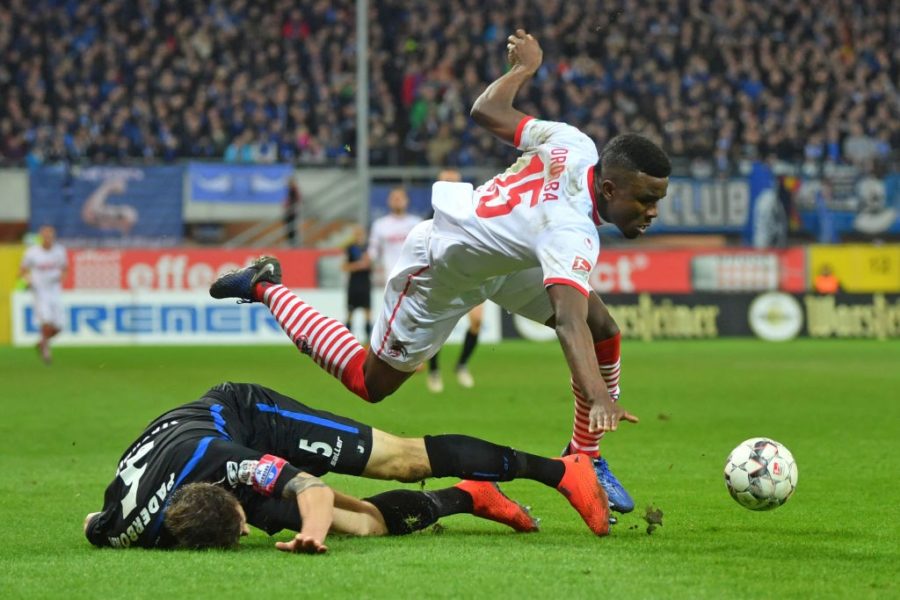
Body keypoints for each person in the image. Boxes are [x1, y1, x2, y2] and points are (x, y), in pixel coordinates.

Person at [210, 30, 670, 516]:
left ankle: (585, 456)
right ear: (612, 187)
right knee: (372, 383)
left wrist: (522, 71)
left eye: (657, 199)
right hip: (442, 265)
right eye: (645, 199)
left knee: (606, 329)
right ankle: (267, 286)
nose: (652, 211)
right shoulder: (572, 230)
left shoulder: (575, 144)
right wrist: (600, 395)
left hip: (507, 260)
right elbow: (568, 321)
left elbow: (486, 112)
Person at [83, 382, 609, 553]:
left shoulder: (230, 463)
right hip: (191, 466)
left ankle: (561, 470)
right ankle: (472, 496)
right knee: (364, 523)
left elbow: (309, 487)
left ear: (235, 494)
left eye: (243, 525)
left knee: (400, 461)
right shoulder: (121, 531)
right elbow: (92, 523)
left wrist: (312, 533)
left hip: (246, 418)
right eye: (249, 529)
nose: (251, 529)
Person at [425, 169, 484, 393]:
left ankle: (461, 365)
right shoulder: (431, 215)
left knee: (476, 321)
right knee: (437, 324)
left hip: (471, 274)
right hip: (443, 276)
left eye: (454, 182)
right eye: (446, 181)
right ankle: (434, 371)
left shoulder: (472, 210)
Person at [19, 225, 68, 364]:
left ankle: (42, 342)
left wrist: (62, 278)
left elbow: (65, 268)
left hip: (54, 290)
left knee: (58, 327)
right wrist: (28, 280)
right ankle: (46, 351)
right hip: (40, 291)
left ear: (53, 237)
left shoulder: (59, 251)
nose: (48, 239)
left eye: (50, 236)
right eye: (45, 236)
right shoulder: (32, 252)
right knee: (46, 321)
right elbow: (22, 270)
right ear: (41, 237)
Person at [367, 186, 422, 286]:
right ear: (388, 201)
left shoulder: (417, 223)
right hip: (390, 278)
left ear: (407, 201)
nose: (397, 201)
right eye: (394, 198)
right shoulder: (379, 225)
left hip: (414, 278)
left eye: (400, 198)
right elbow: (373, 252)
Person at [342, 224, 373, 339]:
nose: (359, 236)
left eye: (360, 233)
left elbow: (372, 265)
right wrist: (358, 265)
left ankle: (368, 340)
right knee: (350, 312)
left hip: (365, 284)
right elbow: (344, 267)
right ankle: (347, 339)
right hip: (353, 284)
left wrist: (369, 263)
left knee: (368, 312)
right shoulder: (350, 249)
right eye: (357, 233)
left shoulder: (369, 248)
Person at [284, 179, 301, 246]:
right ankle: (291, 242)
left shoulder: (294, 190)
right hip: (290, 211)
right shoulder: (290, 190)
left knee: (292, 227)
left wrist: (290, 207)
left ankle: (292, 243)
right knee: (289, 227)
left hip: (292, 211)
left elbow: (297, 200)